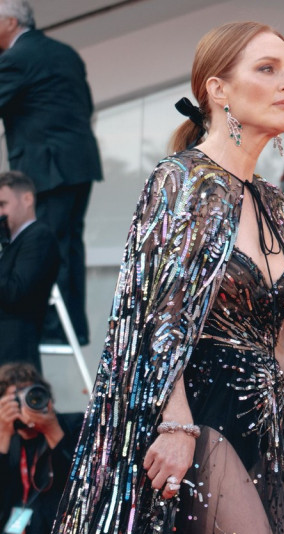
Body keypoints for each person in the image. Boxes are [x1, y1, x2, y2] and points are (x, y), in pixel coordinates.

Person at [53, 22, 284, 534]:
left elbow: (282, 349)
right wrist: (176, 424)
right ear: (216, 90)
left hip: (267, 425)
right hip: (200, 419)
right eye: (266, 69)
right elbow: (157, 319)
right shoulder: (181, 180)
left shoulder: (275, 206)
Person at [0, 0, 103, 346]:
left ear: (11, 22)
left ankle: (50, 328)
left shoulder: (17, 58)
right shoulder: (64, 52)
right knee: (68, 243)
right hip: (79, 163)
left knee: (42, 243)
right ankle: (70, 327)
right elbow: (85, 108)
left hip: (46, 167)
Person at [0, 362, 83, 534]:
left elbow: (82, 483)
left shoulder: (73, 425)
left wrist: (52, 430)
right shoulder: (7, 439)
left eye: (32, 395)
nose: (28, 404)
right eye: (17, 399)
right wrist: (3, 435)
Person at [0, 171, 60, 370]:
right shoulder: (12, 244)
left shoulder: (38, 237)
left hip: (14, 357)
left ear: (27, 199)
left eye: (2, 204)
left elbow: (15, 292)